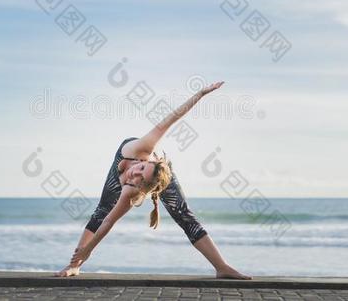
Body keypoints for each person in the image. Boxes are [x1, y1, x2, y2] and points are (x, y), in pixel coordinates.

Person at [54, 81, 252, 279]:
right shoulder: (142, 148)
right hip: (151, 166)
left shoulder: (132, 190)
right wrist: (200, 94)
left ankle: (222, 267)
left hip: (158, 177)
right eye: (140, 168)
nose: (135, 174)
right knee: (101, 209)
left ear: (141, 188)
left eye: (139, 178)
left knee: (183, 214)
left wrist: (89, 249)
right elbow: (172, 118)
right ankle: (73, 266)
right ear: (142, 161)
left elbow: (110, 221)